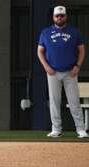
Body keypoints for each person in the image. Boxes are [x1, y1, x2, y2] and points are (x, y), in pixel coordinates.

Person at [37, 6, 88, 138]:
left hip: (70, 72)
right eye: (57, 16)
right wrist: (46, 67)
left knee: (74, 101)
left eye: (62, 15)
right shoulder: (46, 32)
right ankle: (56, 129)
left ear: (66, 16)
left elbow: (81, 50)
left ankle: (80, 129)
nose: (59, 18)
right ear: (53, 17)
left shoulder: (74, 31)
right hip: (52, 72)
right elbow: (40, 51)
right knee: (54, 102)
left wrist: (77, 66)